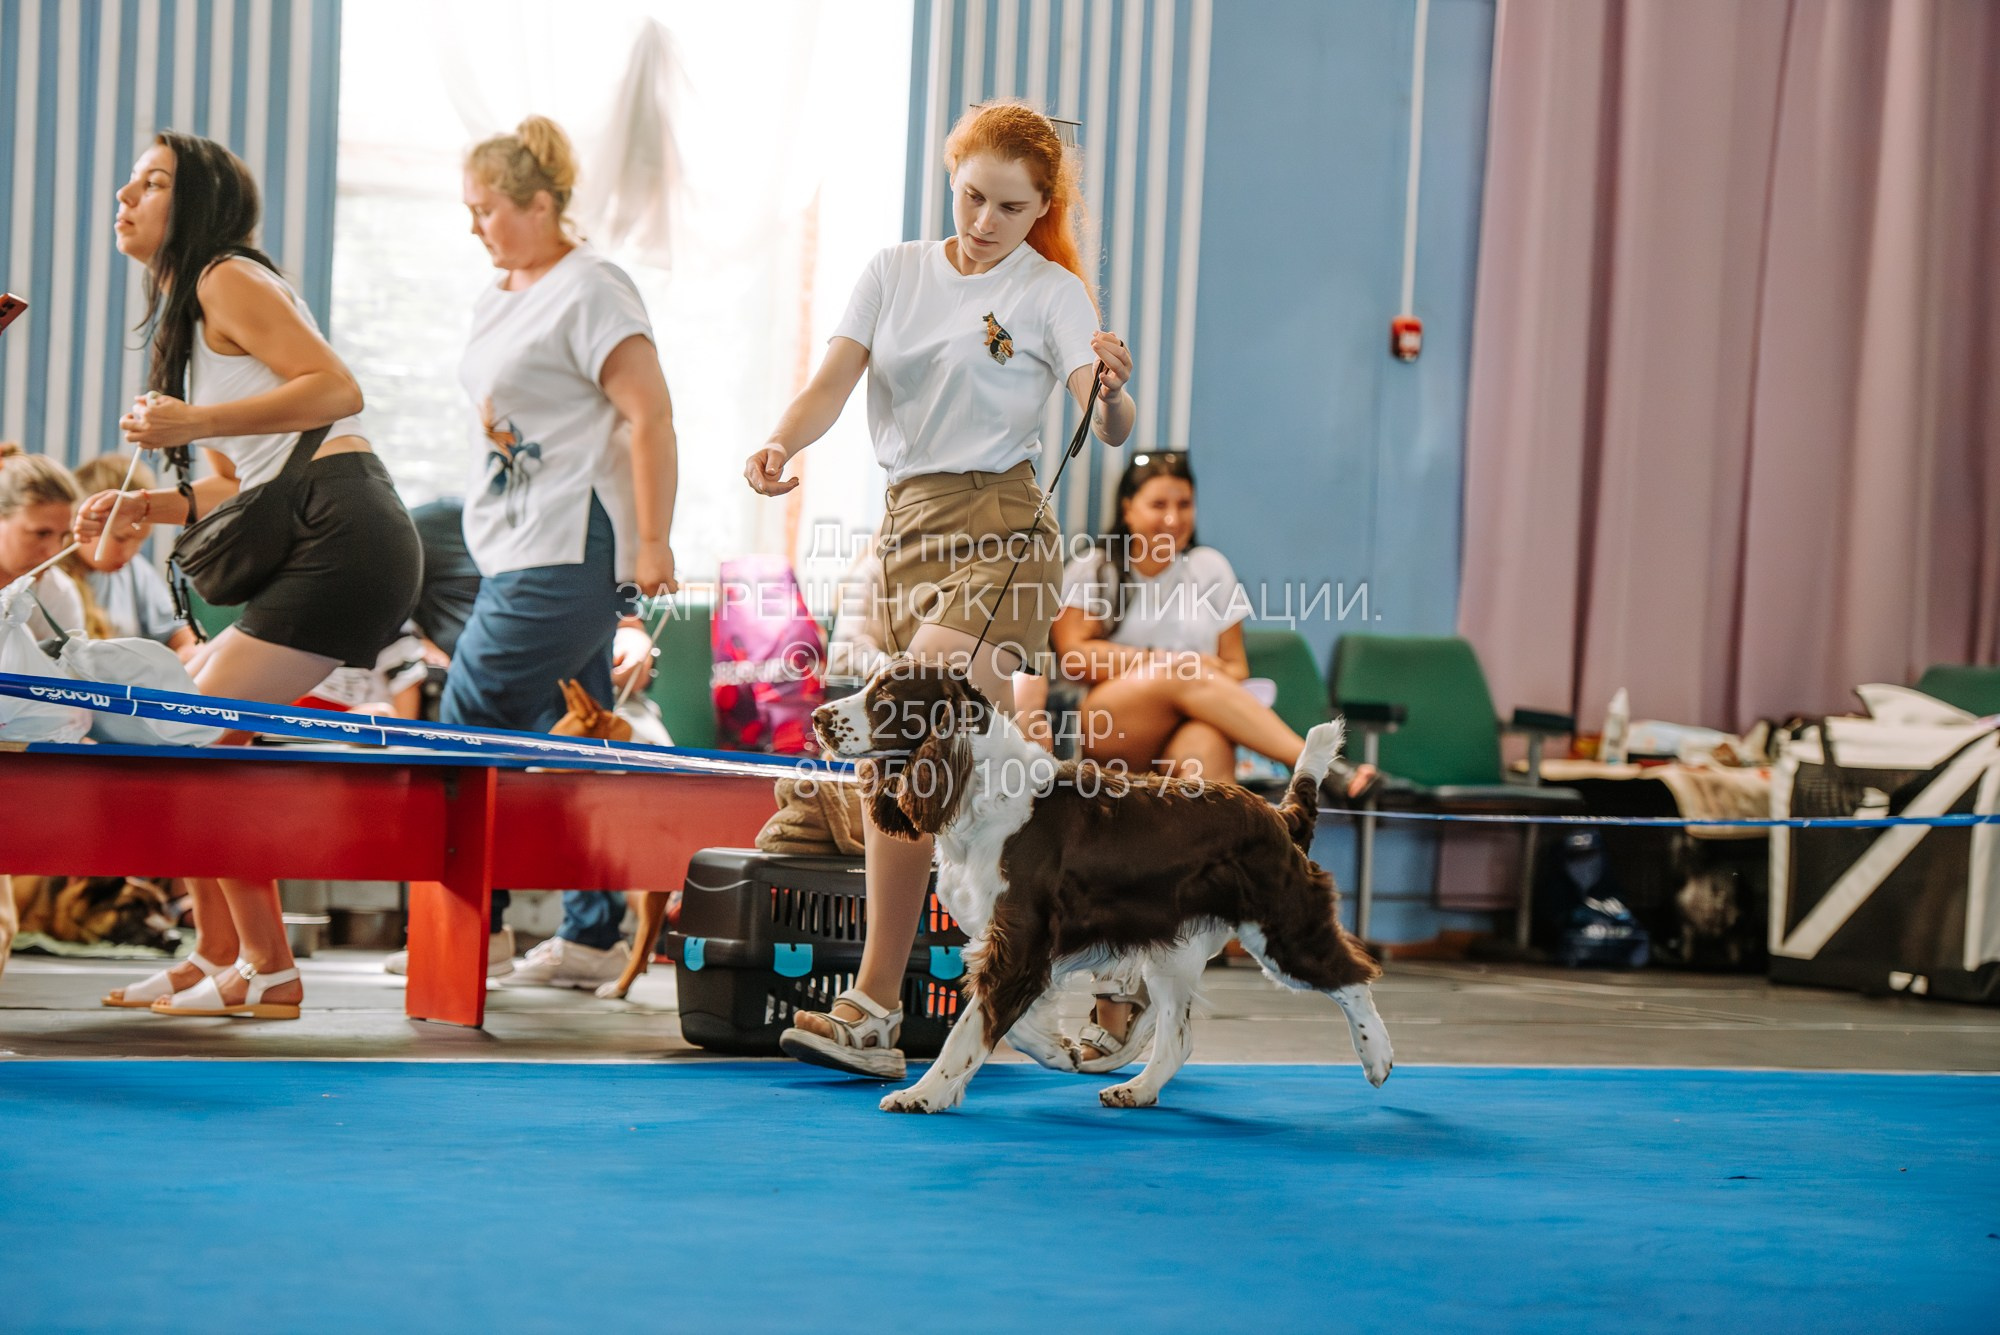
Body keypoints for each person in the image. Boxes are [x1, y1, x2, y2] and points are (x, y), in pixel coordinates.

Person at [744, 100, 1135, 1078]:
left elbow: (1111, 416)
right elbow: (833, 379)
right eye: (970, 196)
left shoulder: (1049, 292)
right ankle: (1118, 954)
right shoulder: (894, 272)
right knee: (985, 788)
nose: (984, 221)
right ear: (950, 177)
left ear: (1040, 207)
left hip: (1001, 526)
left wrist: (1116, 388)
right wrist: (781, 440)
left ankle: (874, 1005)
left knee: (909, 733)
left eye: (1010, 207)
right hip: (903, 528)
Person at [79, 130, 422, 1020]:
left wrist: (191, 419)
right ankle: (215, 954)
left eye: (151, 182)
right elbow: (235, 482)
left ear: (195, 205)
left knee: (190, 730)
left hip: (345, 531)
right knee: (177, 708)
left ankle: (269, 969)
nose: (125, 195)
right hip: (316, 524)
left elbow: (337, 389)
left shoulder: (223, 275)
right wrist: (140, 508)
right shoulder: (193, 311)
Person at [436, 115, 680, 989]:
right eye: (469, 212)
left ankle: (469, 930)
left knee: (464, 726)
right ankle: (589, 937)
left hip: (570, 541)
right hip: (515, 540)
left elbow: (649, 414)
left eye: (489, 208)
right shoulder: (499, 295)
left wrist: (653, 541)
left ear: (542, 204)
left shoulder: (592, 288)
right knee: (582, 735)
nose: (477, 227)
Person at [1048, 450, 1375, 1064]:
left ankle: (1173, 979)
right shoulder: (1095, 566)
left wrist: (1182, 673)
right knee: (1190, 677)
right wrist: (1166, 667)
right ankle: (1320, 769)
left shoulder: (1211, 567)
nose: (1173, 518)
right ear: (1128, 508)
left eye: (1184, 504)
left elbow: (1236, 671)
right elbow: (1074, 656)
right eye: (1158, 504)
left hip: (1188, 724)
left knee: (1205, 756)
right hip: (1112, 725)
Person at [65, 452, 197, 654]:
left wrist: (192, 653)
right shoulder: (49, 579)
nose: (130, 553)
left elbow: (181, 636)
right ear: (81, 519)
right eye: (121, 538)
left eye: (141, 540)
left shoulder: (136, 571)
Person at [0, 449, 88, 642]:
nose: (55, 551)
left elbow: (67, 669)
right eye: (41, 533)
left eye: (64, 535)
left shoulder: (57, 593)